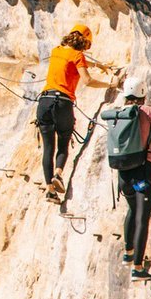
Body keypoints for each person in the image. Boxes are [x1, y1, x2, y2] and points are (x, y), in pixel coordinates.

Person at [36, 23, 113, 199]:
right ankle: (58, 174)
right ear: (85, 42)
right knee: (63, 142)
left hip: (45, 102)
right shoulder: (78, 56)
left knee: (48, 147)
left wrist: (97, 65)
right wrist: (110, 84)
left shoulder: (56, 50)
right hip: (63, 103)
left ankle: (50, 190)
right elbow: (87, 80)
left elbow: (75, 60)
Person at [110, 76, 151, 278]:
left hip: (123, 175)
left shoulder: (117, 114)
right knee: (142, 218)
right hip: (143, 173)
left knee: (131, 210)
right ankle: (138, 268)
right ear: (142, 94)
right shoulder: (146, 111)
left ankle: (128, 254)